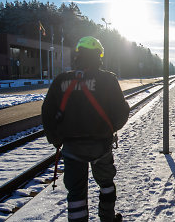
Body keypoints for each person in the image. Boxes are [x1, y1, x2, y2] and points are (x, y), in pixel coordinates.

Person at [42, 36, 130, 222]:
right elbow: (122, 111)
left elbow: (47, 113)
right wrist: (110, 129)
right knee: (106, 185)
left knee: (76, 193)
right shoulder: (108, 79)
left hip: (72, 149)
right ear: (99, 56)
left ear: (77, 56)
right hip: (101, 146)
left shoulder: (61, 81)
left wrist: (56, 139)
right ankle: (107, 218)